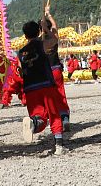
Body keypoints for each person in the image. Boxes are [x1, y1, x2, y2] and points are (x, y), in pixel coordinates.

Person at [18, 20, 66, 155]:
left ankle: (33, 122)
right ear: (38, 32)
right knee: (54, 114)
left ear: (25, 36)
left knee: (39, 116)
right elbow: (55, 40)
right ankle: (59, 146)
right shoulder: (42, 44)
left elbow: (20, 72)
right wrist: (47, 29)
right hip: (45, 84)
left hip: (30, 87)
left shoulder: (20, 52)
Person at [42, 10, 70, 127]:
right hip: (56, 69)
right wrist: (48, 14)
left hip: (46, 72)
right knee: (60, 94)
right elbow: (54, 26)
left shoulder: (40, 40)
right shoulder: (54, 36)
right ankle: (64, 118)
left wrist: (44, 28)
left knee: (48, 96)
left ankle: (51, 118)